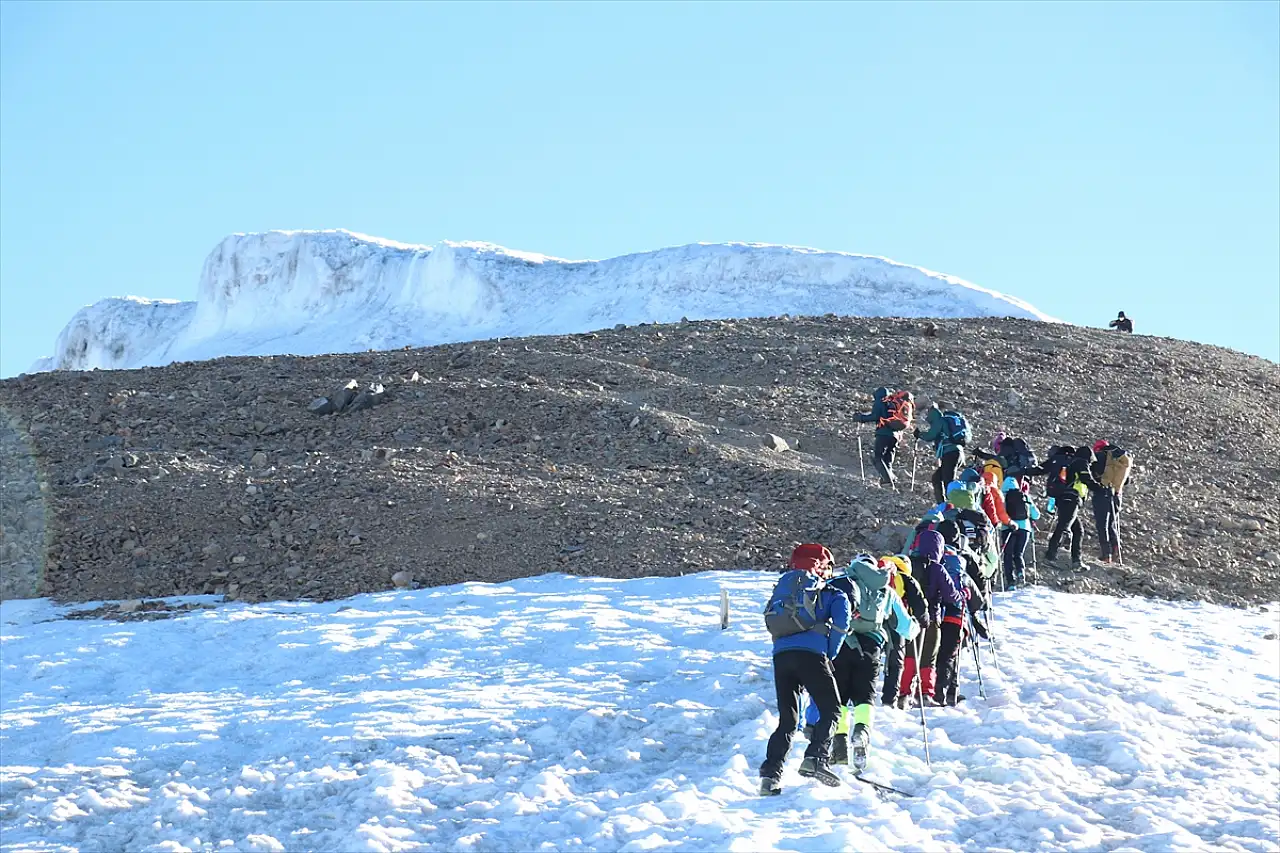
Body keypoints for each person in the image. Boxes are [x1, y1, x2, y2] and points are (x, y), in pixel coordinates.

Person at [806, 555, 917, 772]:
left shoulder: (841, 583)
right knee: (865, 695)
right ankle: (862, 732)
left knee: (840, 697)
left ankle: (839, 742)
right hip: (872, 647)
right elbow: (905, 627)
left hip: (841, 645)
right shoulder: (886, 590)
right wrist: (915, 627)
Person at [759, 544, 851, 794]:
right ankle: (816, 758)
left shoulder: (783, 589)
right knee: (832, 709)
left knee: (788, 720)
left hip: (781, 657)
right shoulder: (830, 592)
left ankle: (770, 777)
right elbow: (842, 624)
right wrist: (828, 654)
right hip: (812, 656)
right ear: (822, 567)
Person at [897, 530, 963, 708]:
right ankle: (925, 693)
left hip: (908, 618)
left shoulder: (909, 564)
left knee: (909, 655)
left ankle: (903, 693)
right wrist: (962, 594)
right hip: (931, 619)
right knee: (929, 657)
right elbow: (951, 595)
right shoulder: (937, 568)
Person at [1043, 446, 1103, 569]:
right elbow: (1086, 479)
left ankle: (1077, 561)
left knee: (1078, 530)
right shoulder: (1081, 463)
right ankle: (1050, 556)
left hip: (1065, 499)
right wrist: (1101, 489)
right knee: (1063, 527)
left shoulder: (1072, 462)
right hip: (1071, 499)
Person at [880, 555, 927, 708]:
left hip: (874, 621)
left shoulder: (877, 573)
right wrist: (923, 621)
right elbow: (919, 604)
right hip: (896, 623)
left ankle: (861, 698)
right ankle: (889, 700)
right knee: (896, 662)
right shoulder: (906, 578)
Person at [854, 387, 913, 487]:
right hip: (896, 436)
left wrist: (860, 418)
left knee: (878, 457)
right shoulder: (892, 404)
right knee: (887, 459)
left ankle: (887, 480)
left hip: (883, 433)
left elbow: (875, 416)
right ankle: (889, 480)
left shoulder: (880, 402)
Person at [1090, 439, 1132, 563]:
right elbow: (1127, 480)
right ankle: (1115, 548)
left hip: (1102, 493)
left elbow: (1092, 473)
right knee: (1111, 524)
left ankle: (1106, 554)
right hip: (1117, 494)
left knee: (1102, 524)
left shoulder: (1099, 457)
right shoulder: (1118, 460)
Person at [916, 405, 969, 503]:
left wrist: (919, 434)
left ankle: (953, 505)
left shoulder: (940, 421)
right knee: (937, 478)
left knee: (948, 481)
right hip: (958, 453)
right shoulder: (951, 422)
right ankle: (942, 504)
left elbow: (930, 435)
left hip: (950, 454)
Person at [1002, 475, 1040, 587]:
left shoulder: (1002, 496)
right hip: (1024, 529)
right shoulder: (1025, 496)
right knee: (1018, 553)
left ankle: (1010, 582)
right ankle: (1020, 573)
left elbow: (1000, 513)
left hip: (1008, 528)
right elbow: (1036, 515)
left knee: (1008, 555)